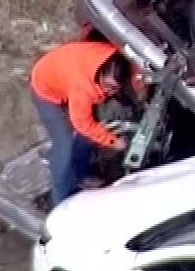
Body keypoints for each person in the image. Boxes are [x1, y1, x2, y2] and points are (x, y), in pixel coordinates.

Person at [29, 37, 144, 206]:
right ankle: (59, 200)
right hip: (45, 91)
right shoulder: (83, 88)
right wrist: (112, 141)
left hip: (64, 74)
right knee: (64, 145)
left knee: (86, 137)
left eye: (114, 89)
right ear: (101, 75)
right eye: (107, 86)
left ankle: (81, 176)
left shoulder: (114, 58)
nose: (109, 92)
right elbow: (82, 124)